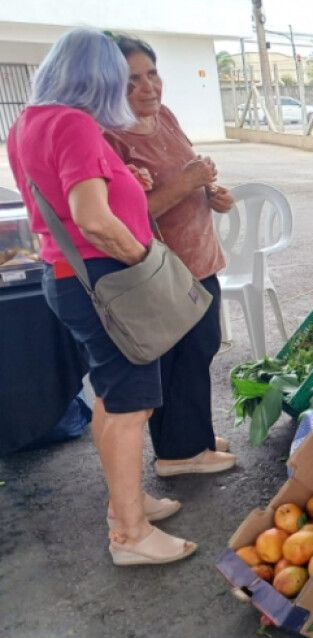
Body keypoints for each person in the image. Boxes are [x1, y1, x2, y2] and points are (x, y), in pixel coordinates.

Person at [6, 28, 195, 565]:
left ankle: (124, 504)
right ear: (100, 79)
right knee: (132, 406)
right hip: (106, 280)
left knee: (112, 398)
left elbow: (66, 194)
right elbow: (91, 218)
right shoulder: (74, 123)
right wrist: (144, 264)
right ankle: (131, 535)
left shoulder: (28, 122)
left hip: (70, 277)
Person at [103, 35, 237, 478]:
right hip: (162, 272)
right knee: (177, 360)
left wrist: (212, 194)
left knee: (201, 349)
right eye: (132, 81)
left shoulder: (165, 117)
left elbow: (190, 177)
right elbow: (123, 218)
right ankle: (179, 453)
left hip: (200, 259)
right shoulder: (110, 138)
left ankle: (195, 437)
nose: (148, 87)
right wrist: (184, 184)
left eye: (152, 74)